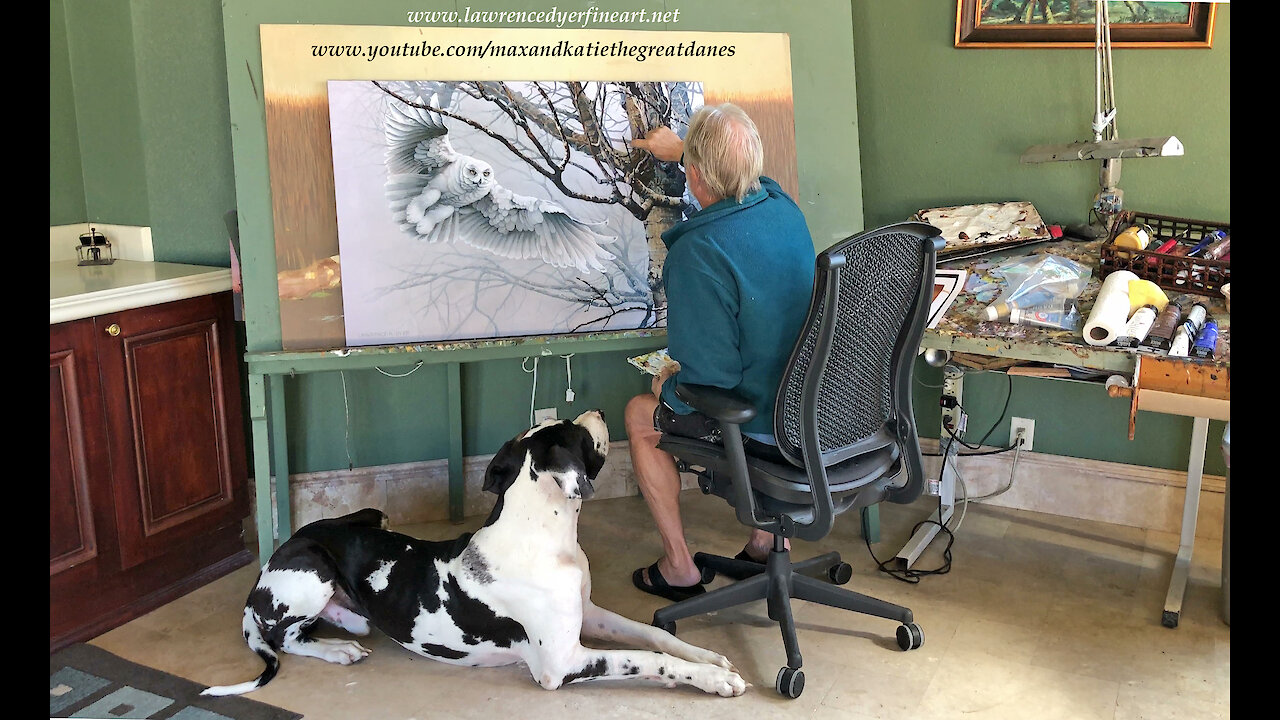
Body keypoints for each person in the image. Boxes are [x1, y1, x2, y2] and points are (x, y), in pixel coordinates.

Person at [625, 103, 816, 601]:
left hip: (759, 426)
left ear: (692, 175)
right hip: (814, 414)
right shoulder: (782, 206)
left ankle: (680, 566)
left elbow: (709, 378)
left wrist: (667, 385)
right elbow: (742, 175)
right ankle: (763, 544)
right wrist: (686, 149)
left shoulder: (697, 252)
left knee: (642, 415)